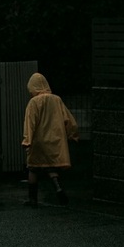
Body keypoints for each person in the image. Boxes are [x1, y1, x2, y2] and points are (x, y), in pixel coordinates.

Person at [22, 72, 79, 207]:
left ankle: (33, 199)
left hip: (38, 140)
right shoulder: (56, 99)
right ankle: (58, 186)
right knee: (50, 166)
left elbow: (30, 122)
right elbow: (69, 120)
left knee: (33, 168)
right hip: (55, 139)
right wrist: (73, 134)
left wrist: (27, 140)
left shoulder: (34, 102)